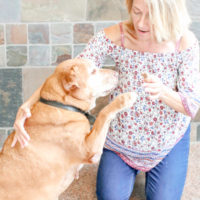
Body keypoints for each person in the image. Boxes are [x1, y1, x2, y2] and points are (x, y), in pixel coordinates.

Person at [12, 0, 200, 199]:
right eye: (137, 12)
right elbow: (70, 74)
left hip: (168, 140)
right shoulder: (116, 35)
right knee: (109, 196)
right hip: (121, 138)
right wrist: (28, 104)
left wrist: (163, 92)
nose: (141, 23)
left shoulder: (184, 43)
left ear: (168, 14)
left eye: (151, 16)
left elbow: (192, 106)